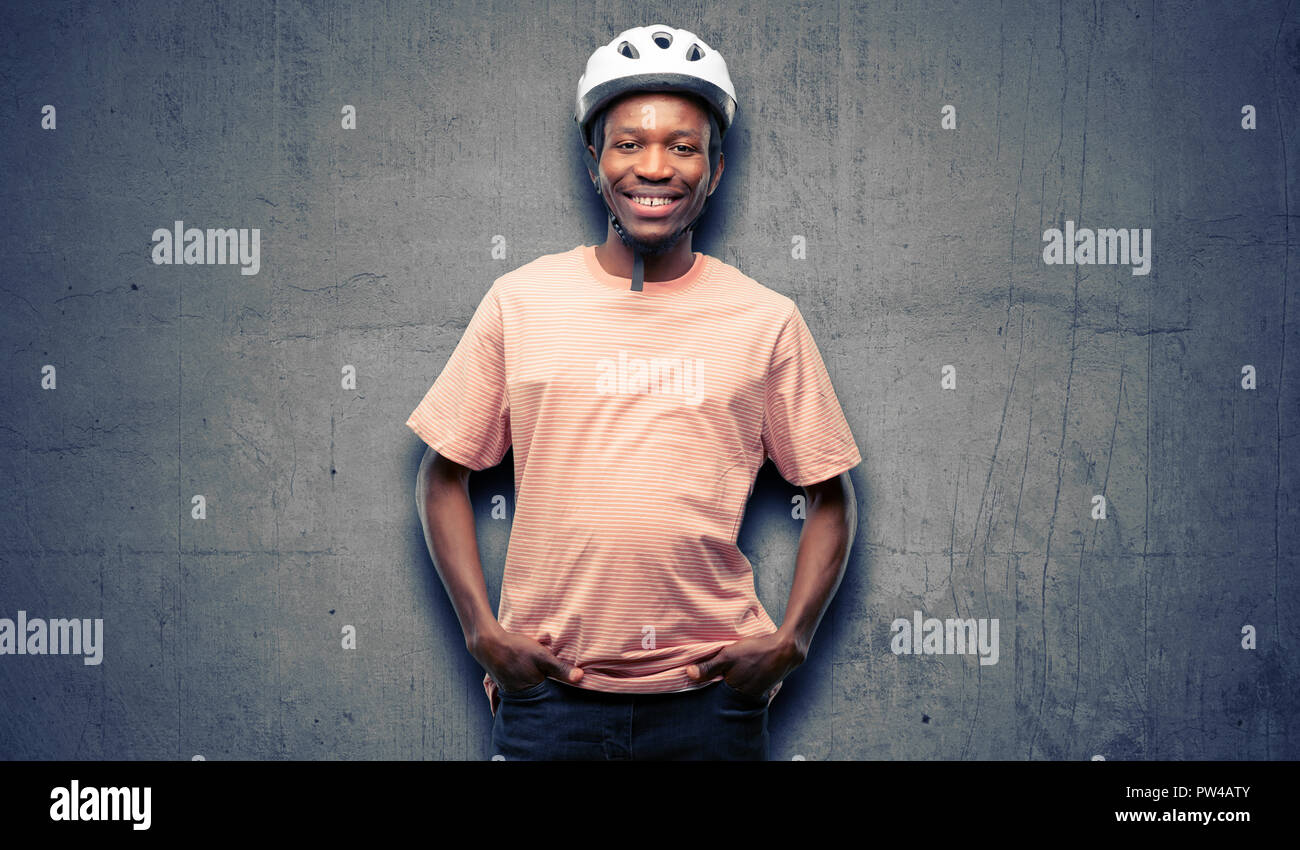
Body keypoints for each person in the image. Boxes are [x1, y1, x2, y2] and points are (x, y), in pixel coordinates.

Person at [406, 24, 861, 760]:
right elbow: (443, 472)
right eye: (629, 143)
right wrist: (482, 633)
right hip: (548, 704)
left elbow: (831, 493)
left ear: (715, 170)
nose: (655, 168)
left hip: (712, 707)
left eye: (683, 147)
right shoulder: (519, 301)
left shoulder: (766, 319)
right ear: (594, 162)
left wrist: (791, 642)